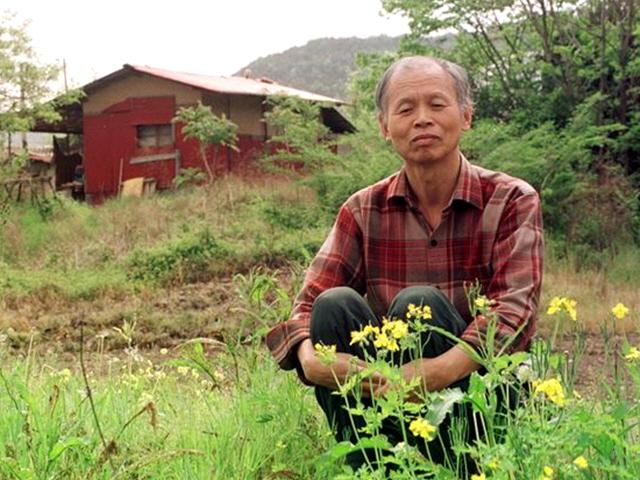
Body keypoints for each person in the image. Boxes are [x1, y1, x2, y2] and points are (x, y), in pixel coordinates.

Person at [265, 56, 543, 471]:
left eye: (437, 104)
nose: (422, 120)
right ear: (384, 126)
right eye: (406, 108)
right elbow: (308, 304)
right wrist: (309, 357)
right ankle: (372, 467)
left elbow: (515, 311)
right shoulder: (362, 209)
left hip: (480, 400)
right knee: (333, 306)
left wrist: (438, 370)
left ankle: (456, 468)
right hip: (384, 391)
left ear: (466, 116)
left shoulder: (511, 200)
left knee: (420, 304)